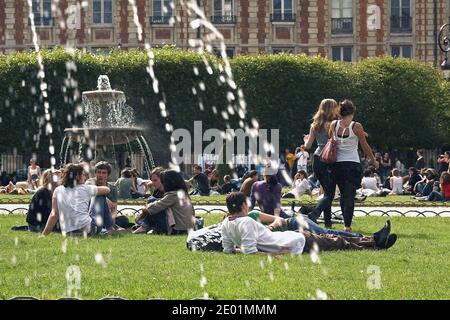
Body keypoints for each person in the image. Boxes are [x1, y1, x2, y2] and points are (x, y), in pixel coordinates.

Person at [221, 192, 396, 255]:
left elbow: (229, 249)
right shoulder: (247, 223)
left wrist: (242, 248)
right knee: (337, 240)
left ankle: (374, 240)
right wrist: (273, 254)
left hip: (291, 236)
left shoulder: (227, 224)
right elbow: (250, 251)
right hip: (294, 240)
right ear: (244, 205)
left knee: (331, 236)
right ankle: (374, 243)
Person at [330, 100, 378, 233]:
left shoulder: (334, 125)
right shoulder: (356, 126)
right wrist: (373, 160)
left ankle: (345, 223)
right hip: (352, 164)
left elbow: (332, 142)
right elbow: (364, 145)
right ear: (352, 112)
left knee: (342, 194)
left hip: (337, 164)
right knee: (349, 195)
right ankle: (347, 225)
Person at [42, 163, 116, 236]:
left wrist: (44, 234)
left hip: (68, 233)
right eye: (83, 175)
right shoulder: (85, 188)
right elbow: (107, 189)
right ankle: (109, 228)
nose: (85, 177)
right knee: (99, 196)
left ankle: (107, 229)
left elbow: (54, 214)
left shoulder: (58, 190)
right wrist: (104, 198)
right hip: (89, 231)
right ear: (77, 176)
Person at [303, 98, 340, 228]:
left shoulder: (314, 124)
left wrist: (306, 139)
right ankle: (315, 213)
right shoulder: (333, 124)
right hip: (328, 160)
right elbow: (336, 142)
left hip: (317, 159)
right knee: (329, 194)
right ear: (331, 109)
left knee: (327, 193)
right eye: (336, 107)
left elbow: (307, 146)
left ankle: (328, 224)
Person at [137, 170, 195, 235]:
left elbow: (156, 206)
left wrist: (144, 211)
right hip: (186, 227)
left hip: (179, 229)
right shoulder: (182, 193)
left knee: (154, 207)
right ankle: (149, 227)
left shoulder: (173, 195)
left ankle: (145, 226)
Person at [133, 167, 166, 234]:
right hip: (158, 218)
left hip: (168, 221)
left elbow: (159, 205)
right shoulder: (157, 191)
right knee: (151, 201)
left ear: (163, 179)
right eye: (152, 180)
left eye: (155, 180)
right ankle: (147, 226)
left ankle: (144, 226)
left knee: (152, 201)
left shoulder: (170, 191)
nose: (152, 183)